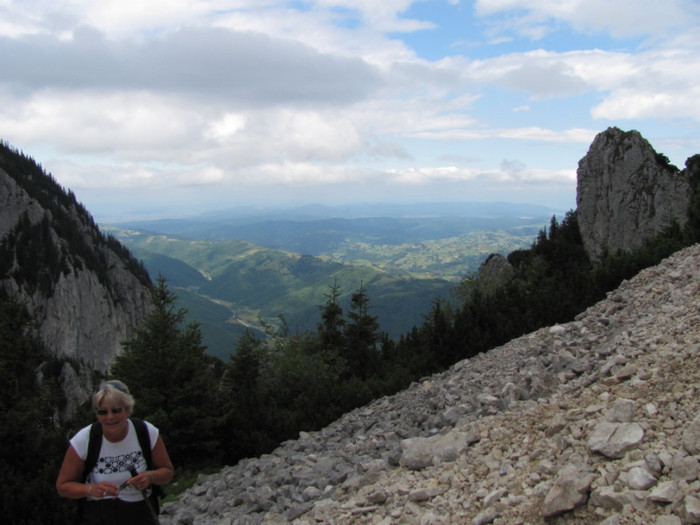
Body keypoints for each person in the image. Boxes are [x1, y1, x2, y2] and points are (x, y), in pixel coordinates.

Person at [56, 380, 174, 524]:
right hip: (100, 515)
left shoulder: (146, 432)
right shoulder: (85, 439)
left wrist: (149, 477)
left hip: (140, 514)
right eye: (103, 412)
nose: (110, 417)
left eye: (116, 410)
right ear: (97, 413)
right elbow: (63, 486)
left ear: (127, 409)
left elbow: (167, 472)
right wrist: (90, 489)